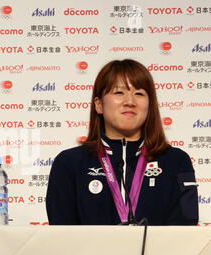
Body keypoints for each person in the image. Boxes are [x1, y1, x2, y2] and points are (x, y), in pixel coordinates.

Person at [46, 59, 198, 225]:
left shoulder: (177, 162)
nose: (130, 101)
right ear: (99, 105)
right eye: (119, 93)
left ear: (150, 104)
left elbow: (185, 233)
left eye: (139, 93)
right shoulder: (69, 163)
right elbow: (62, 236)